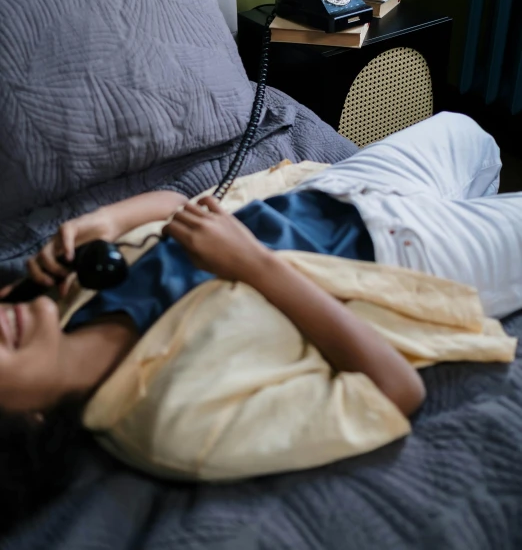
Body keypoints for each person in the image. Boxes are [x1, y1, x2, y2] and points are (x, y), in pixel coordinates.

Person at [0, 112, 520, 527]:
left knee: (471, 134)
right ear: (28, 424)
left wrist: (101, 221)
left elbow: (177, 205)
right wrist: (253, 266)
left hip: (333, 191)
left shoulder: (74, 297)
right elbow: (396, 391)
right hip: (407, 256)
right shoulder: (175, 427)